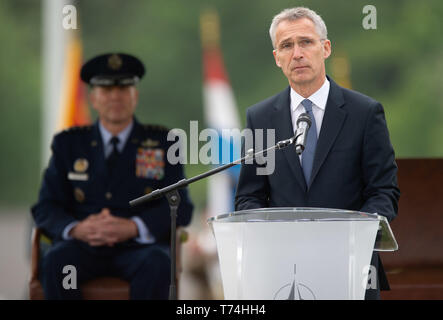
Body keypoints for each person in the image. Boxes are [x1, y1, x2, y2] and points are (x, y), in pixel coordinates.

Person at [235, 7, 400, 300]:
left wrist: (356, 235)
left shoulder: (365, 113)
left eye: (306, 42)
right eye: (287, 45)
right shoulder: (260, 118)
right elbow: (249, 197)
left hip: (350, 266)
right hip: (281, 272)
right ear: (277, 58)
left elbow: (383, 191)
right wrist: (269, 236)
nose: (297, 53)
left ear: (325, 49)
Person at [31, 53, 194, 299]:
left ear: (135, 96)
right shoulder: (69, 144)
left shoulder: (164, 142)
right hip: (81, 247)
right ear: (93, 99)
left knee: (158, 264)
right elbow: (45, 207)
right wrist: (76, 229)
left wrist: (133, 227)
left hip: (139, 250)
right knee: (58, 262)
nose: (115, 96)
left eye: (124, 88)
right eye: (106, 90)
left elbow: (182, 206)